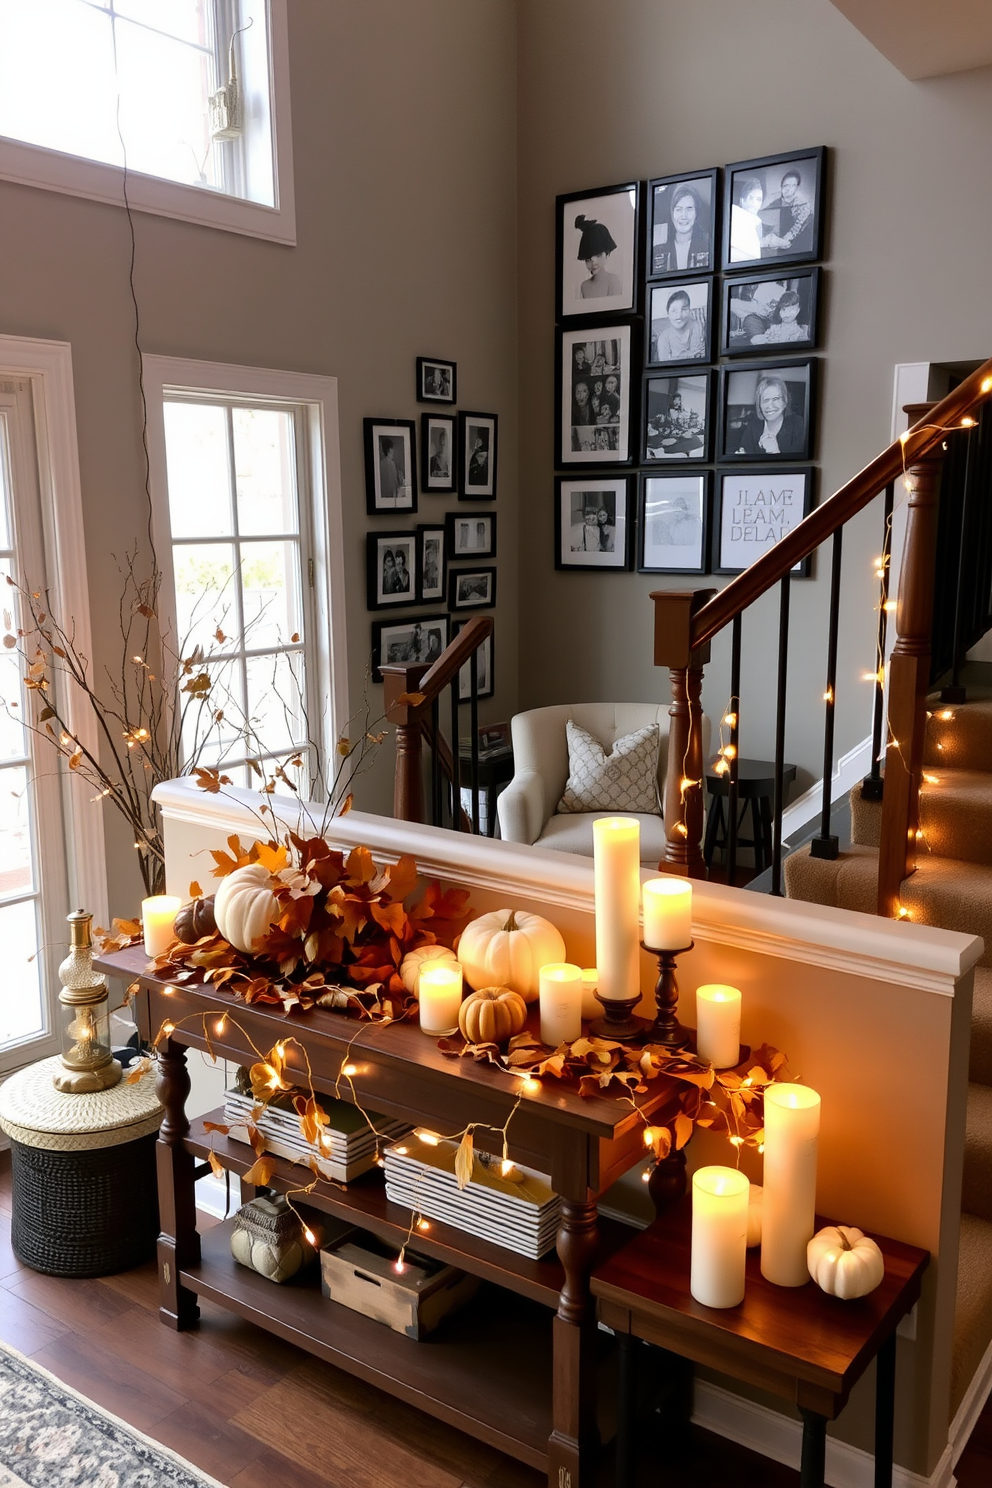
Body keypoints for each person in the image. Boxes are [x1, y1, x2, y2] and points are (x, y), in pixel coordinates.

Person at [734, 375, 805, 455]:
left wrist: (775, 451)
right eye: (765, 400)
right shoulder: (752, 427)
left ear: (784, 402)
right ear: (759, 405)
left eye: (775, 399)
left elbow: (798, 465)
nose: (770, 406)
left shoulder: (798, 424)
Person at [653, 183, 711, 274]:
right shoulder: (657, 252)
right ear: (672, 214)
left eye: (689, 209)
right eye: (679, 209)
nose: (683, 216)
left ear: (696, 214)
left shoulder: (708, 248)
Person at [761, 170, 814, 257]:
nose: (788, 189)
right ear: (781, 186)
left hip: (798, 244)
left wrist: (782, 241)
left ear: (797, 187)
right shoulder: (774, 200)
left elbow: (798, 227)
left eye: (793, 186)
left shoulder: (804, 205)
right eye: (786, 185)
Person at [651, 288, 706, 362]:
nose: (679, 315)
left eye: (684, 309)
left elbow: (703, 355)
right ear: (668, 314)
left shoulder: (697, 327)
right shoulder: (664, 338)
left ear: (689, 310)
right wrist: (691, 355)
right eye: (674, 311)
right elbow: (664, 365)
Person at [575, 215, 621, 299]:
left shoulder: (613, 281)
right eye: (588, 259)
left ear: (607, 254)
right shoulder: (584, 286)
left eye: (598, 255)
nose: (594, 263)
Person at [730, 176, 765, 263]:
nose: (754, 203)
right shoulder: (733, 211)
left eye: (758, 200)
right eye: (751, 198)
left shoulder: (757, 222)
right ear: (742, 199)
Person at [378, 436, 401, 504]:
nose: (393, 451)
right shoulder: (391, 464)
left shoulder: (380, 464)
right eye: (392, 449)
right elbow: (395, 484)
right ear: (389, 450)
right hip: (390, 499)